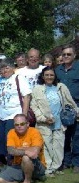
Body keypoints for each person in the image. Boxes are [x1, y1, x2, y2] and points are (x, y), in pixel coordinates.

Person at [31, 67, 78, 176]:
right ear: (43, 76)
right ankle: (48, 168)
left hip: (59, 123)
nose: (49, 77)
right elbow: (34, 107)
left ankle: (56, 167)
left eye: (51, 75)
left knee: (58, 146)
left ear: (55, 76)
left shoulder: (60, 87)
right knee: (47, 146)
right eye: (46, 75)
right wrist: (43, 118)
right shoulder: (37, 89)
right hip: (44, 124)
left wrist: (76, 111)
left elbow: (69, 101)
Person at [0, 58, 31, 165]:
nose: (4, 70)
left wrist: (23, 115)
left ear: (12, 68)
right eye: (2, 69)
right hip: (1, 115)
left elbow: (27, 97)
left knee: (9, 138)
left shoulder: (19, 78)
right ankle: (2, 159)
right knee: (0, 138)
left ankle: (13, 161)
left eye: (7, 67)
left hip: (14, 114)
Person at [0, 114, 46, 183]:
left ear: (27, 124)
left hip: (37, 165)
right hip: (18, 165)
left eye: (22, 124)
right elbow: (10, 150)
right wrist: (26, 151)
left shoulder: (34, 132)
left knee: (26, 158)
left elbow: (34, 152)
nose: (19, 126)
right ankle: (23, 179)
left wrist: (18, 149)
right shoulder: (11, 132)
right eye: (16, 124)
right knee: (0, 180)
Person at [54, 44, 79, 173]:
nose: (66, 56)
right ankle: (65, 161)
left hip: (77, 106)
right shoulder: (57, 70)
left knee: (77, 135)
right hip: (62, 108)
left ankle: (77, 163)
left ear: (74, 55)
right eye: (64, 54)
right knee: (63, 135)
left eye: (69, 54)